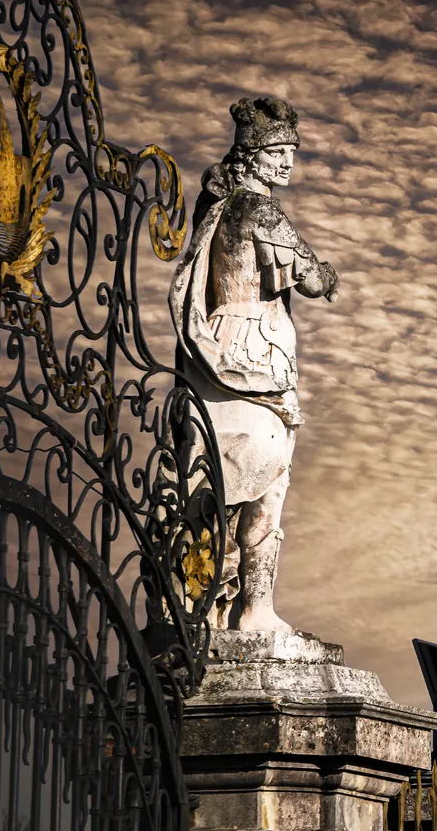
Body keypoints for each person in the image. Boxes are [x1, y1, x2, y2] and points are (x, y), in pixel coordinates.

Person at [169, 97, 338, 632]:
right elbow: (312, 279)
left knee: (213, 486)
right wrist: (328, 273)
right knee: (261, 485)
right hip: (251, 357)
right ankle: (254, 608)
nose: (288, 162)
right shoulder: (259, 211)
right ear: (251, 155)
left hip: (221, 351)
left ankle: (199, 607)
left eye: (291, 151)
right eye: (279, 151)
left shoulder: (218, 209)